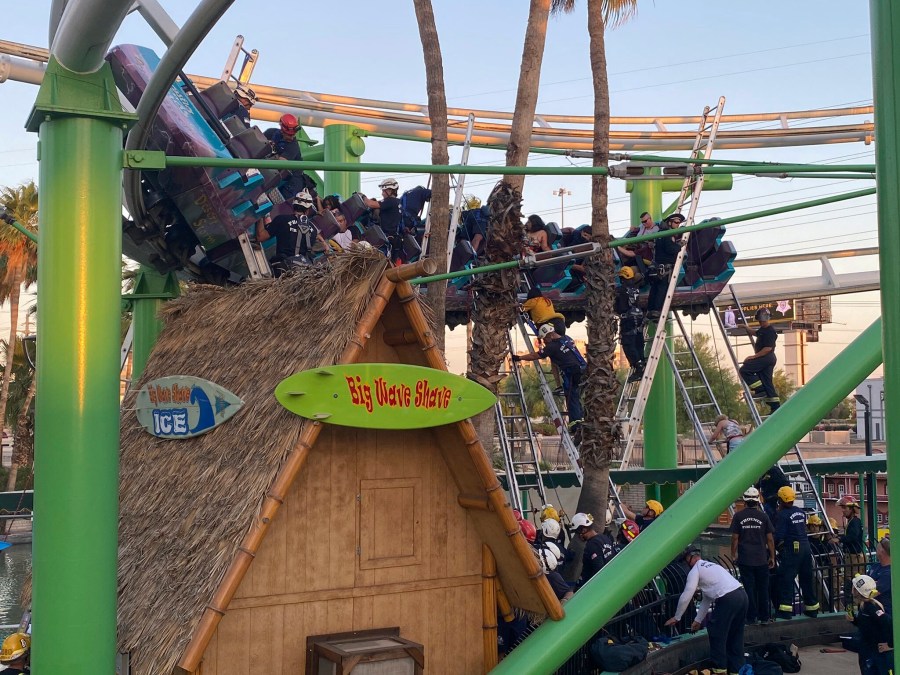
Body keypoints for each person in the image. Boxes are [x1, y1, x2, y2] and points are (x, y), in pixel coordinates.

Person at [664, 547, 748, 675]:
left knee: (716, 633)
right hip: (742, 596)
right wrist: (697, 620)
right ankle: (737, 670)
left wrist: (677, 617)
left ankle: (719, 670)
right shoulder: (713, 566)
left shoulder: (695, 570)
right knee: (735, 635)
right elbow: (706, 599)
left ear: (689, 559)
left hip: (728, 599)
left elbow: (687, 594)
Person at [512, 323, 586, 431]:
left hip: (571, 373)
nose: (545, 342)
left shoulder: (552, 347)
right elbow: (556, 360)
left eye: (546, 338)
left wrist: (519, 357)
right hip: (583, 369)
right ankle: (581, 420)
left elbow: (535, 355)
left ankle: (576, 425)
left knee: (571, 398)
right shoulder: (567, 339)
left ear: (551, 335)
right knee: (577, 396)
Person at [773, 485, 820, 619]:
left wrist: (777, 548)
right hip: (806, 548)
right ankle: (812, 608)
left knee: (785, 577)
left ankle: (785, 610)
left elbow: (779, 535)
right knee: (806, 578)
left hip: (794, 549)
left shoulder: (782, 515)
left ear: (780, 500)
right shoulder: (800, 512)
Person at [730, 486, 776, 624]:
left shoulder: (738, 516)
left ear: (744, 500)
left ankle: (751, 618)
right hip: (761, 559)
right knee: (763, 589)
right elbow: (770, 539)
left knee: (749, 589)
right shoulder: (763, 516)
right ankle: (765, 617)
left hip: (745, 559)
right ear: (757, 501)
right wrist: (772, 556)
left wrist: (733, 554)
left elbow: (735, 538)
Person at [256, 190, 319, 276]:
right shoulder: (314, 231)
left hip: (281, 270)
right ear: (308, 210)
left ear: (293, 206)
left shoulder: (281, 220)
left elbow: (261, 237)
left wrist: (260, 216)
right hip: (300, 274)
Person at [846, 574, 894, 675]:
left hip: (875, 653)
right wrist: (854, 620)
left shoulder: (871, 607)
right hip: (867, 650)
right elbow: (866, 626)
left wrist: (890, 645)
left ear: (857, 591)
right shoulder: (864, 606)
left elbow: (889, 622)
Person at [739, 307, 781, 413]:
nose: (760, 322)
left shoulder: (770, 331)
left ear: (766, 319)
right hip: (767, 359)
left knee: (745, 369)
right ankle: (775, 406)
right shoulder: (763, 329)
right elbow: (755, 333)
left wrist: (754, 356)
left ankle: (759, 389)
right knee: (767, 382)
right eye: (759, 320)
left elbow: (768, 348)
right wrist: (745, 327)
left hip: (766, 358)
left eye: (762, 320)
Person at [646, 213, 686, 320]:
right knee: (662, 289)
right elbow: (669, 249)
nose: (678, 225)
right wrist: (679, 246)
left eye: (679, 223)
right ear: (670, 222)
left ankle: (650, 310)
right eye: (676, 222)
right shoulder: (668, 234)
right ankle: (657, 311)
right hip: (665, 268)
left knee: (654, 289)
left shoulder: (659, 234)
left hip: (657, 267)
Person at [832, 495, 867, 608]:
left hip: (854, 557)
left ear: (852, 509)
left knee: (852, 583)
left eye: (844, 508)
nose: (842, 510)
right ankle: (851, 606)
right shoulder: (852, 521)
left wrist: (839, 539)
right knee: (851, 583)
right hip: (852, 556)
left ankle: (853, 606)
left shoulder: (855, 522)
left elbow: (853, 536)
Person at [264, 113, 308, 200]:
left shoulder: (293, 146)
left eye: (293, 135)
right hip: (277, 175)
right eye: (289, 135)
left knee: (283, 203)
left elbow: (280, 163)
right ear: (282, 130)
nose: (291, 138)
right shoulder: (271, 133)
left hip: (291, 181)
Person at [365, 178, 404, 263]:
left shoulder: (390, 201)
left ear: (390, 190)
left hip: (386, 238)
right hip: (394, 239)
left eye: (384, 191)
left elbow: (371, 204)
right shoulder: (397, 202)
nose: (382, 194)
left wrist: (362, 197)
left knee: (380, 262)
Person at [571, 512, 615, 587]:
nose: (578, 536)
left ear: (584, 530)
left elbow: (598, 569)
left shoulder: (591, 545)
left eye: (578, 532)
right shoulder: (605, 538)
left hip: (599, 587)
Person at [614, 285, 646, 382]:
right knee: (638, 342)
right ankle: (641, 362)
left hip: (628, 319)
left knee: (628, 345)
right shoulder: (635, 289)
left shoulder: (622, 290)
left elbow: (618, 306)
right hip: (638, 316)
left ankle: (639, 367)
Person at [869, 537, 892, 615]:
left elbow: (873, 592)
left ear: (882, 551)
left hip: (883, 611)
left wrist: (868, 585)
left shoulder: (889, 572)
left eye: (877, 548)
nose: (876, 550)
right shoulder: (875, 566)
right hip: (870, 609)